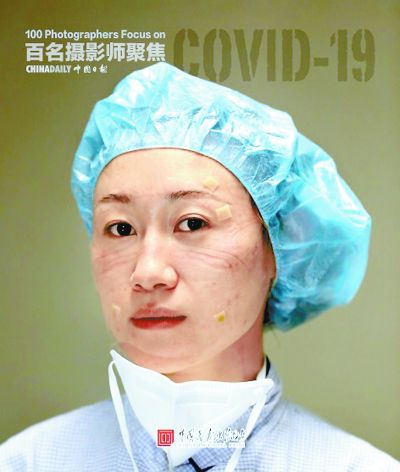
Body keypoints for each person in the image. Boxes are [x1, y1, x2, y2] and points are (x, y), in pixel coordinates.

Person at [1, 62, 398, 472]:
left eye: (193, 223)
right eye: (120, 228)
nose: (148, 273)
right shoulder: (28, 463)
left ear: (278, 247)